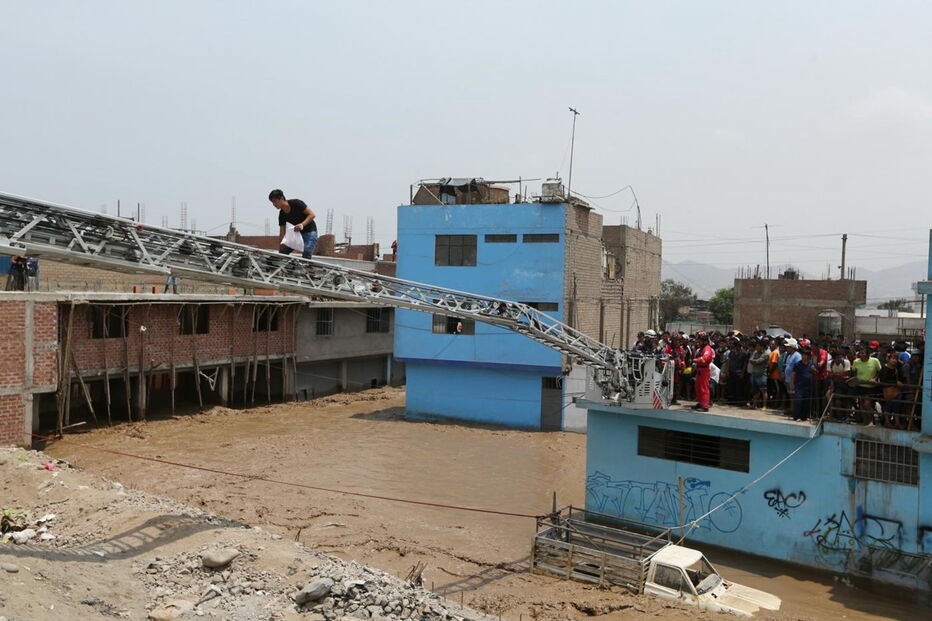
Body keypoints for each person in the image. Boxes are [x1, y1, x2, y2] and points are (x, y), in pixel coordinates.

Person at [269, 189, 318, 259]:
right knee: (284, 250)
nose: (274, 204)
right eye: (272, 202)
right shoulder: (282, 214)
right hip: (297, 234)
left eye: (274, 201)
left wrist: (302, 225)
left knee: (306, 253)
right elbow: (282, 234)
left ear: (281, 198)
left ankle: (307, 268)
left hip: (310, 232)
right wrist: (281, 252)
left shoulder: (296, 203)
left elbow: (312, 215)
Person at [852, 347, 882, 426]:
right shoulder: (856, 362)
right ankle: (865, 421)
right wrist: (856, 379)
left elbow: (880, 371)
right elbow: (854, 372)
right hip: (860, 386)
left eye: (863, 353)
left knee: (867, 404)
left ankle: (871, 421)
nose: (861, 355)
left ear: (868, 355)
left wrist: (875, 378)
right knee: (862, 405)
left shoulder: (875, 361)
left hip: (870, 387)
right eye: (860, 353)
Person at [790, 347, 815, 422]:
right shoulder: (798, 364)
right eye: (802, 355)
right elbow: (793, 374)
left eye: (805, 355)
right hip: (799, 386)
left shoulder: (811, 363)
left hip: (808, 386)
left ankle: (804, 416)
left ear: (808, 356)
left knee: (806, 402)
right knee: (798, 400)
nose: (803, 356)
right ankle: (797, 416)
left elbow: (816, 372)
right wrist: (792, 384)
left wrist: (814, 369)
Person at [692, 332, 714, 412]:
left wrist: (695, 360)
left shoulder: (707, 348)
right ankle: (701, 402)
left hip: (704, 370)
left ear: (704, 341)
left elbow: (705, 359)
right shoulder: (701, 348)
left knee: (703, 388)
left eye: (700, 340)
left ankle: (705, 405)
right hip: (700, 369)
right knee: (698, 387)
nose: (698, 342)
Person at [747, 338, 769, 409]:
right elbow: (751, 360)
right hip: (754, 374)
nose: (756, 347)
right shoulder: (756, 352)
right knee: (755, 391)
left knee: (763, 390)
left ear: (762, 346)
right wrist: (754, 361)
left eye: (758, 346)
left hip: (762, 374)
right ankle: (754, 404)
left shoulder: (766, 354)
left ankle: (764, 406)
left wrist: (754, 361)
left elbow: (757, 361)